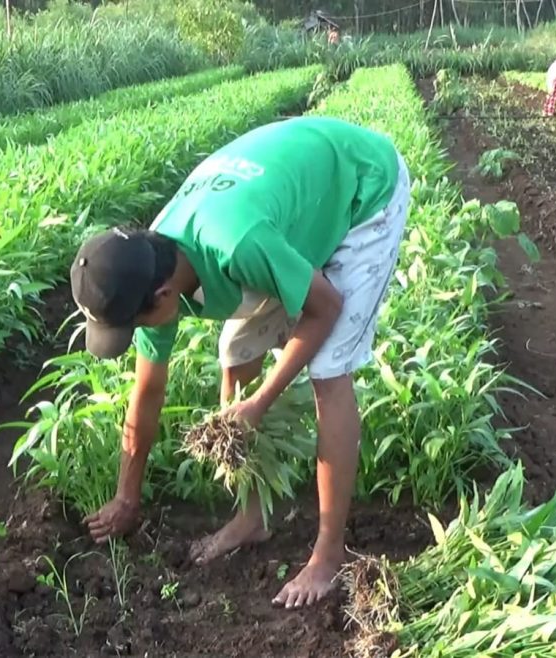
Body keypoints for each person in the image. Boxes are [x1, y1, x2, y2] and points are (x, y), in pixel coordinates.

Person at [68, 116, 412, 609]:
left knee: (329, 372)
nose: (140, 333)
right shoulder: (155, 258)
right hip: (290, 204)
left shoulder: (235, 243)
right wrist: (127, 496)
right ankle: (252, 518)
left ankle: (327, 556)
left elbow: (325, 306)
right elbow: (146, 392)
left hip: (362, 187)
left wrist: (261, 400)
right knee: (235, 356)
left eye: (135, 325)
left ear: (163, 295)